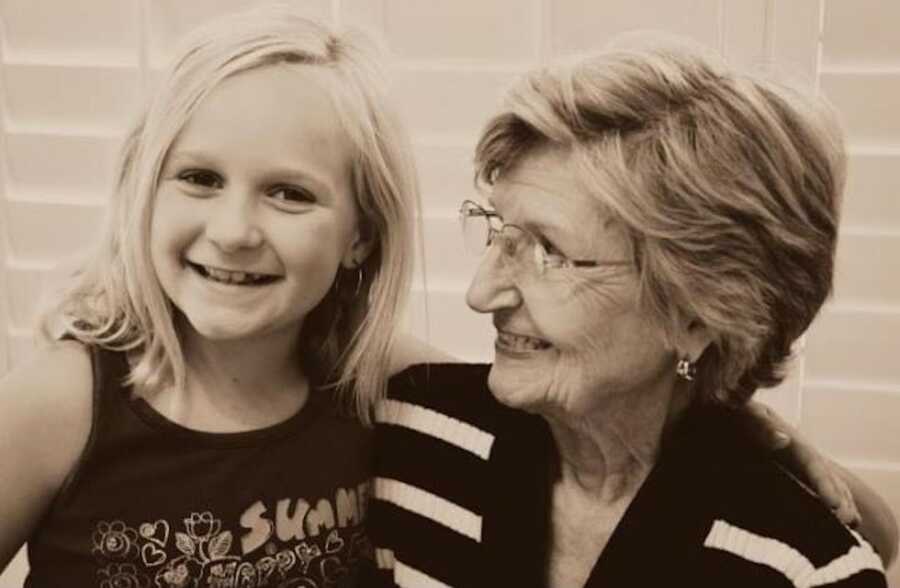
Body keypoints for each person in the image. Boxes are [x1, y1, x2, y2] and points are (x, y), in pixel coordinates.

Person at [0, 8, 890, 587]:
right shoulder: (70, 398)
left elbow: (832, 524)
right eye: (196, 177)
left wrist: (763, 436)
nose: (479, 293)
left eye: (550, 252)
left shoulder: (381, 395)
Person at [368, 37, 894, 587]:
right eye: (500, 234)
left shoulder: (803, 572)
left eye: (550, 253)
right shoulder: (410, 439)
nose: (482, 293)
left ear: (698, 313)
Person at [0, 7, 419, 587]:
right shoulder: (60, 404)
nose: (232, 232)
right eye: (200, 179)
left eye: (288, 193)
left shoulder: (381, 386)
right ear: (141, 191)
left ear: (361, 237)